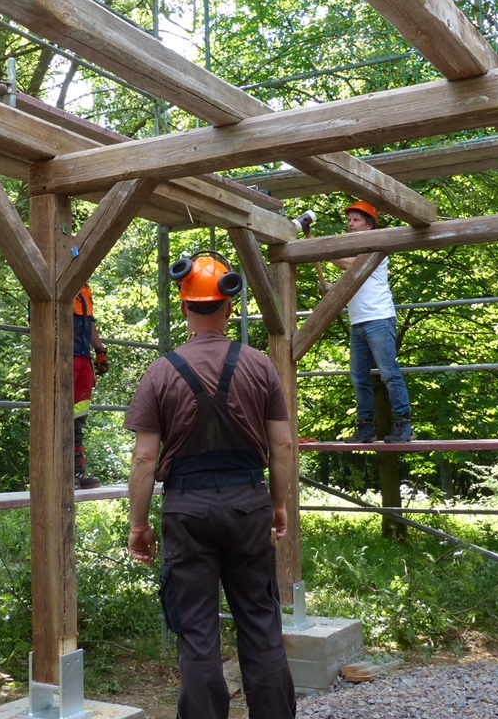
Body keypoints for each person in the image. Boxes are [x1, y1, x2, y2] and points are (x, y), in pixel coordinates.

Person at [125, 252, 296, 719]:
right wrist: (278, 507)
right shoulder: (260, 366)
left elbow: (144, 458)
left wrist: (138, 526)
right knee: (261, 623)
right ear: (230, 307)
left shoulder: (161, 372)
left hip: (188, 510)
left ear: (184, 307)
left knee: (197, 633)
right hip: (248, 504)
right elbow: (283, 447)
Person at [329, 201, 413, 443]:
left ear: (370, 225)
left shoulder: (377, 249)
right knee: (359, 377)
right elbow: (353, 283)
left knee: (389, 373)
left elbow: (350, 264)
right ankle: (366, 428)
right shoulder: (356, 252)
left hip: (379, 318)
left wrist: (322, 250)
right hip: (359, 322)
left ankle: (403, 425)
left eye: (356, 220)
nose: (350, 224)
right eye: (350, 220)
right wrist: (331, 289)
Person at [72, 282, 108, 489]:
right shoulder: (57, 279)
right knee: (59, 415)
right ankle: (60, 473)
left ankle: (76, 472)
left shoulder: (84, 288)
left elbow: (89, 321)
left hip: (83, 357)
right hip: (63, 355)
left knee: (78, 416)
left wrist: (100, 350)